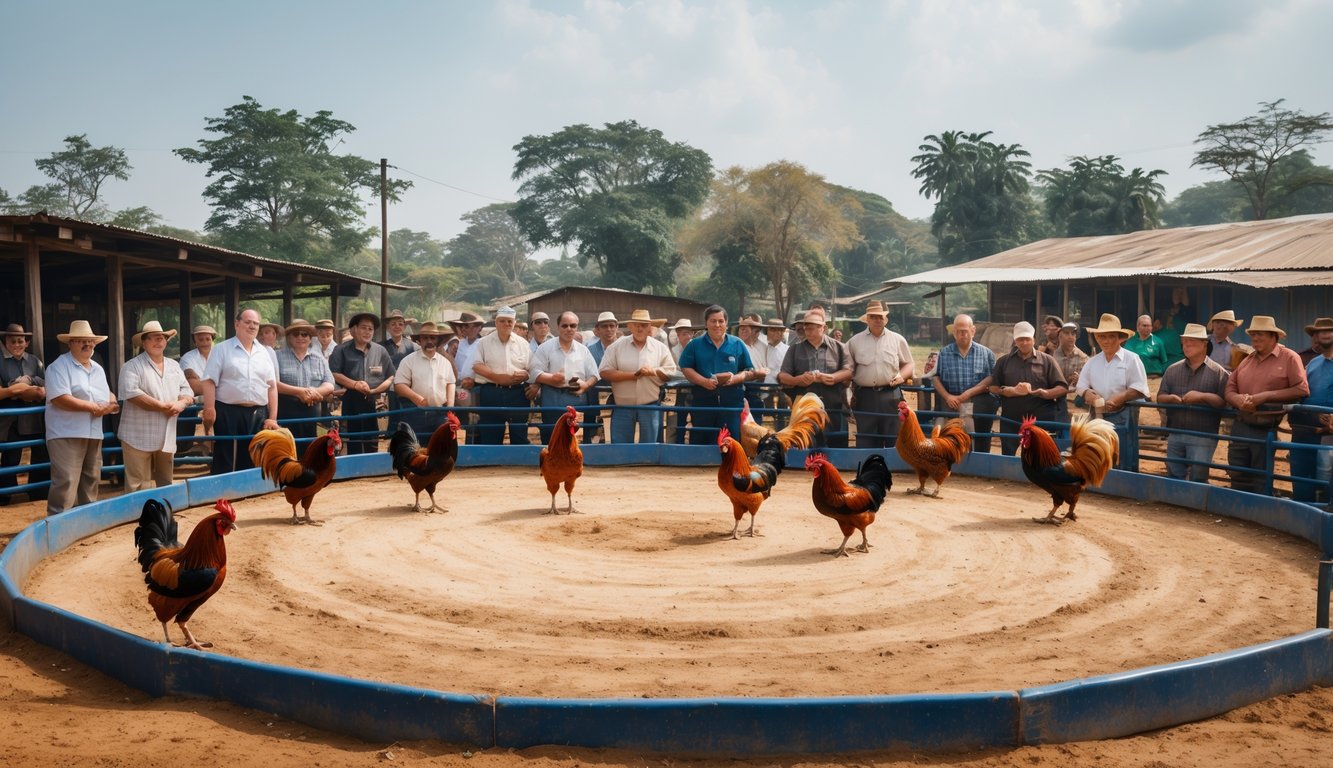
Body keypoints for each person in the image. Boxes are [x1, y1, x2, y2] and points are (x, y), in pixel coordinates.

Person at [1223, 316, 1309, 494]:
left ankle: (1257, 513)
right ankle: (1238, 510)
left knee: (1260, 474)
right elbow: (1229, 389)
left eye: (1259, 334)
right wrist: (1237, 399)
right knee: (1237, 470)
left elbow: (1301, 389)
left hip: (1264, 426)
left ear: (1273, 336)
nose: (1254, 339)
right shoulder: (1246, 359)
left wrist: (1265, 397)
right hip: (1241, 423)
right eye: (1253, 335)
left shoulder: (1289, 358)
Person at [45, 320, 117, 514]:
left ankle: (86, 522)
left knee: (91, 479)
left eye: (90, 341)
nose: (88, 344)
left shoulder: (98, 368)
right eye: (81, 341)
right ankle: (57, 524)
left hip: (93, 432)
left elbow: (107, 394)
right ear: (70, 343)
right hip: (66, 432)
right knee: (66, 481)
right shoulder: (58, 366)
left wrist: (111, 402)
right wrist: (94, 407)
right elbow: (60, 399)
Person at [201, 308, 280, 474]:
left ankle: (250, 496)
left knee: (255, 457)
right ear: (237, 324)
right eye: (248, 322)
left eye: (256, 323)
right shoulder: (221, 349)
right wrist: (209, 408)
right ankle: (222, 495)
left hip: (258, 413)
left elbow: (272, 387)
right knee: (226, 456)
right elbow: (208, 380)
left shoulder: (264, 352)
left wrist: (272, 418)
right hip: (228, 411)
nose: (252, 326)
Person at [118, 320, 194, 492]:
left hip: (166, 433)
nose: (158, 341)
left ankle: (164, 514)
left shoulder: (174, 365)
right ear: (144, 343)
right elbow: (132, 394)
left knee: (166, 481)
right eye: (153, 338)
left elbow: (187, 389)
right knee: (137, 484)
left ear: (166, 342)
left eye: (161, 338)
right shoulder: (131, 366)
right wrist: (164, 406)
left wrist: (181, 403)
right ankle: (137, 516)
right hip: (137, 434)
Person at [1156, 323, 1229, 483]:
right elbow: (1160, 396)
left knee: (1198, 476)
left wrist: (1202, 396)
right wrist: (1171, 399)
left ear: (1204, 344)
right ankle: (1177, 506)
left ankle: (1196, 505)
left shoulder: (1219, 373)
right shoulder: (1172, 370)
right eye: (1185, 341)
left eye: (1192, 341)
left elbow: (1223, 402)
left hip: (1203, 434)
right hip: (1175, 432)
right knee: (1175, 474)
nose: (1187, 344)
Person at [1075, 313, 1149, 467]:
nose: (1106, 341)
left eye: (1111, 336)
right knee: (1099, 454)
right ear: (1097, 338)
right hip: (1098, 415)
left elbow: (1140, 388)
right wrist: (1088, 394)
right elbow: (1080, 385)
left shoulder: (1132, 359)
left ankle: (1126, 484)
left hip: (1125, 414)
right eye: (1102, 337)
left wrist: (1120, 398)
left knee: (1123, 454)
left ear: (1120, 338)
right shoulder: (1092, 362)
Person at [679, 305, 755, 445]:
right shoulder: (695, 345)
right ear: (706, 323)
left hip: (732, 402)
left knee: (732, 442)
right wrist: (703, 381)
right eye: (713, 321)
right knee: (702, 438)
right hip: (703, 400)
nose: (717, 325)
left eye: (721, 321)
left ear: (726, 323)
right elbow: (685, 367)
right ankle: (700, 465)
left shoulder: (737, 343)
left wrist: (735, 379)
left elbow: (749, 370)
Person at [990, 321, 1068, 455]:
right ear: (1015, 341)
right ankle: (1008, 475)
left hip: (1041, 418)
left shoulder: (1047, 360)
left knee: (1041, 454)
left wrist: (1045, 393)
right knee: (1008, 452)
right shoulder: (1003, 361)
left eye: (1027, 339)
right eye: (1020, 339)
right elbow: (993, 387)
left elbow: (1062, 387)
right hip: (1011, 419)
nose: (1024, 342)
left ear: (1034, 340)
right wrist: (1008, 391)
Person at [599, 310, 677, 443]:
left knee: (650, 449)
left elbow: (671, 372)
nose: (639, 328)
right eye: (636, 324)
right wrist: (632, 376)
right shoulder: (616, 346)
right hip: (622, 406)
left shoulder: (660, 348)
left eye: (644, 325)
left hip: (650, 405)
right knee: (621, 449)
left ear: (650, 327)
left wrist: (653, 371)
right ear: (630, 327)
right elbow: (604, 371)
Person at [779, 307, 854, 447]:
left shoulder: (839, 347)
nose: (809, 331)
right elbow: (783, 375)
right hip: (805, 407)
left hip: (834, 406)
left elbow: (849, 371)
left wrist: (833, 377)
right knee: (807, 444)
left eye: (813, 328)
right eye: (806, 328)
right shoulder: (794, 349)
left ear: (823, 328)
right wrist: (798, 380)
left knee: (835, 443)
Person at [846, 301, 914, 449]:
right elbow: (847, 369)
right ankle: (867, 470)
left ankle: (893, 471)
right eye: (873, 317)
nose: (877, 320)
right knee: (866, 441)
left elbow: (909, 364)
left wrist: (901, 376)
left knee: (892, 439)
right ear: (867, 319)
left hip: (891, 396)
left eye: (880, 317)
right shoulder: (854, 342)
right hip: (864, 397)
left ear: (886, 319)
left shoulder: (897, 340)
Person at [329, 312, 396, 455]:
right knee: (352, 438)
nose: (367, 332)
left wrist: (378, 389)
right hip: (350, 399)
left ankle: (372, 469)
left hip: (374, 401)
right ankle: (355, 469)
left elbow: (391, 375)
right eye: (363, 328)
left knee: (372, 437)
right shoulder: (341, 350)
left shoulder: (380, 351)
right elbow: (334, 373)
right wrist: (355, 384)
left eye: (370, 329)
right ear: (354, 330)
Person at [528, 311, 599, 444]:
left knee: (575, 438)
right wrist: (551, 379)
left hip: (577, 397)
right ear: (558, 327)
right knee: (552, 436)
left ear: (577, 327)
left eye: (572, 326)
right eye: (564, 326)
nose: (569, 329)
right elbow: (534, 372)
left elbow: (594, 375)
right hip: (551, 397)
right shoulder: (545, 348)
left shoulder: (583, 350)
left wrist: (586, 386)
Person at [931, 314, 997, 453]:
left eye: (965, 331)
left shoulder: (987, 354)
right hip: (951, 403)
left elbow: (992, 378)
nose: (962, 335)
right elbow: (935, 378)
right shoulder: (944, 353)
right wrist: (948, 396)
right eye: (958, 331)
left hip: (978, 404)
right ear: (954, 332)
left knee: (978, 438)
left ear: (973, 331)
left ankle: (979, 464)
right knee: (949, 439)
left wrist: (969, 393)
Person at [0, 323, 47, 504]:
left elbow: (46, 382)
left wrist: (30, 381)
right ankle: (5, 496)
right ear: (5, 342)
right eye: (13, 341)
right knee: (11, 456)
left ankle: (38, 493)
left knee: (40, 454)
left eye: (21, 340)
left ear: (26, 343)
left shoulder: (35, 361)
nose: (17, 344)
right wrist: (16, 390)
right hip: (9, 417)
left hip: (33, 416)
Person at [471, 307, 531, 445]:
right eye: (502, 321)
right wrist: (498, 378)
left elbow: (532, 368)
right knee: (491, 434)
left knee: (519, 434)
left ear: (515, 323)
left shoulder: (523, 344)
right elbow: (477, 366)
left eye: (510, 321)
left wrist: (525, 376)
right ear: (496, 323)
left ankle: (519, 464)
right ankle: (492, 465)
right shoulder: (483, 343)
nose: (506, 324)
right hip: (491, 392)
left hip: (518, 393)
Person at [1290, 318, 1333, 502]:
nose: (1322, 334)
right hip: (1306, 430)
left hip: (1329, 433)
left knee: (1325, 477)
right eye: (1317, 332)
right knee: (1302, 478)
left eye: (1329, 330)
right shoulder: (1313, 363)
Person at [393, 322, 456, 442]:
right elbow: (399, 385)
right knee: (417, 451)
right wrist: (416, 398)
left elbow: (451, 384)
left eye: (432, 338)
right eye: (425, 338)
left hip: (440, 414)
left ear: (437, 340)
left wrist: (450, 409)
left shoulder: (445, 362)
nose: (429, 341)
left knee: (440, 451)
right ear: (419, 340)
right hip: (416, 413)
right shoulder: (408, 361)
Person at [275, 319, 335, 442]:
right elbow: (273, 383)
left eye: (304, 334)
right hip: (286, 414)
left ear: (310, 338)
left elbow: (330, 383)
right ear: (289, 338)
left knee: (311, 452)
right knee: (288, 452)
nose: (300, 337)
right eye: (296, 334)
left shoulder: (319, 359)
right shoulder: (277, 356)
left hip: (312, 415)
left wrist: (314, 392)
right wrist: (300, 392)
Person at [380, 310, 419, 418]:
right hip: (391, 387)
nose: (397, 327)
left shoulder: (413, 346)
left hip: (411, 387)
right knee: (394, 416)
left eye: (400, 324)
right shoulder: (381, 347)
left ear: (404, 327)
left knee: (409, 415)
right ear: (388, 327)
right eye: (393, 324)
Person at [665, 318, 697, 444]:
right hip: (679, 391)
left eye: (690, 333)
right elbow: (672, 372)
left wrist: (685, 374)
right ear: (678, 335)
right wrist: (691, 375)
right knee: (679, 419)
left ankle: (694, 445)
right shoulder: (672, 351)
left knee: (697, 419)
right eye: (684, 333)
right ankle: (677, 444)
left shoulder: (697, 347)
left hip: (697, 390)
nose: (688, 336)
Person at [736, 314, 770, 416]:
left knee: (756, 423)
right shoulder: (735, 345)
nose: (743, 331)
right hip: (739, 389)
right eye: (741, 328)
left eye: (756, 329)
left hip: (759, 391)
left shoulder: (764, 346)